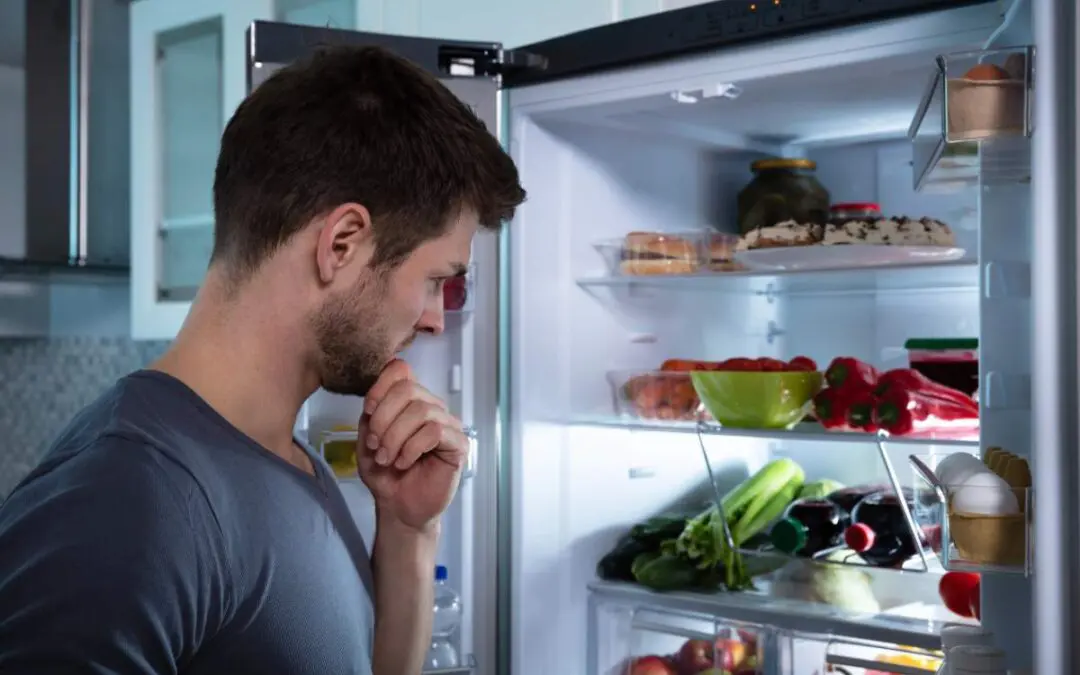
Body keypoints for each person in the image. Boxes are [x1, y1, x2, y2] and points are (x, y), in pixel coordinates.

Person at [0, 45, 525, 674]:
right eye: (438, 279)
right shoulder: (129, 499)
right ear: (342, 244)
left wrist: (410, 532)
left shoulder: (285, 459)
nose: (437, 318)